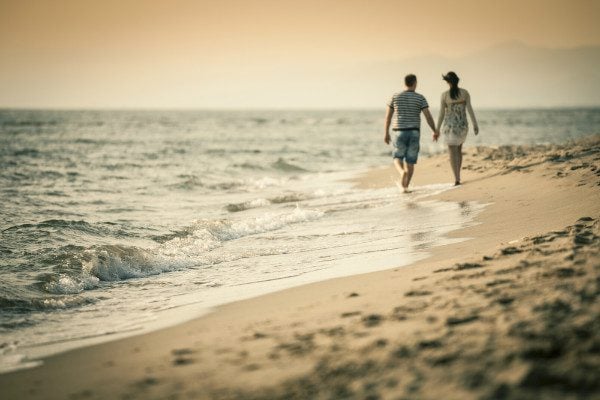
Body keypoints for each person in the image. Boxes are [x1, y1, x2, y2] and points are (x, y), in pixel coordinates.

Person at [384, 74, 438, 193]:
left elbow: (388, 117)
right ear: (415, 82)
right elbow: (428, 116)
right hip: (414, 132)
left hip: (399, 131)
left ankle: (402, 173)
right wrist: (434, 130)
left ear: (405, 82)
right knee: (411, 161)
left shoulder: (395, 96)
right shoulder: (420, 98)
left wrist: (386, 133)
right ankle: (405, 187)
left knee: (397, 157)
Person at [435, 71, 479, 185]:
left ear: (448, 82)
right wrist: (475, 124)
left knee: (452, 152)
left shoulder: (444, 95)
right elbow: (470, 110)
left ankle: (456, 178)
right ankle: (458, 176)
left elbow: (441, 114)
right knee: (458, 150)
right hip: (462, 126)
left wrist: (437, 129)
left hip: (450, 128)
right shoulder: (465, 93)